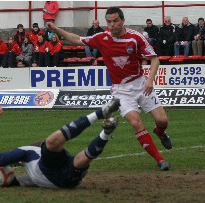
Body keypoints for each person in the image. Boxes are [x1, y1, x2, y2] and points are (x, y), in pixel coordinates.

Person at [45, 7, 172, 171]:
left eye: (115, 21)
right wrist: (55, 29)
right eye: (109, 22)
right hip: (121, 90)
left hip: (141, 84)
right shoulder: (101, 38)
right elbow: (77, 39)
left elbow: (154, 60)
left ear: (122, 21)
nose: (112, 25)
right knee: (136, 122)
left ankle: (160, 132)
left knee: (163, 121)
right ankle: (160, 160)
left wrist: (149, 80)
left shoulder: (136, 37)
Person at [0, 99, 121, 188]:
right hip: (69, 180)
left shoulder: (30, 155)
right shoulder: (30, 157)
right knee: (77, 159)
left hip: (63, 178)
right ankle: (104, 125)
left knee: (76, 158)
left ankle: (104, 127)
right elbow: (14, 180)